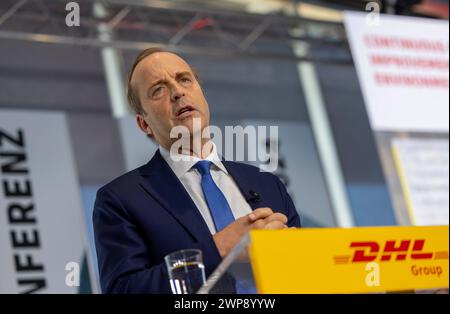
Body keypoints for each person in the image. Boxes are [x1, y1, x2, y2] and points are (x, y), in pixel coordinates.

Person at [93, 47, 301, 294]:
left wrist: (292, 253)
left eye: (184, 79)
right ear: (143, 123)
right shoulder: (121, 199)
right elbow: (124, 290)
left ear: (202, 94)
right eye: (158, 89)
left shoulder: (268, 184)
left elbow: (307, 276)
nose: (178, 92)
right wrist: (221, 246)